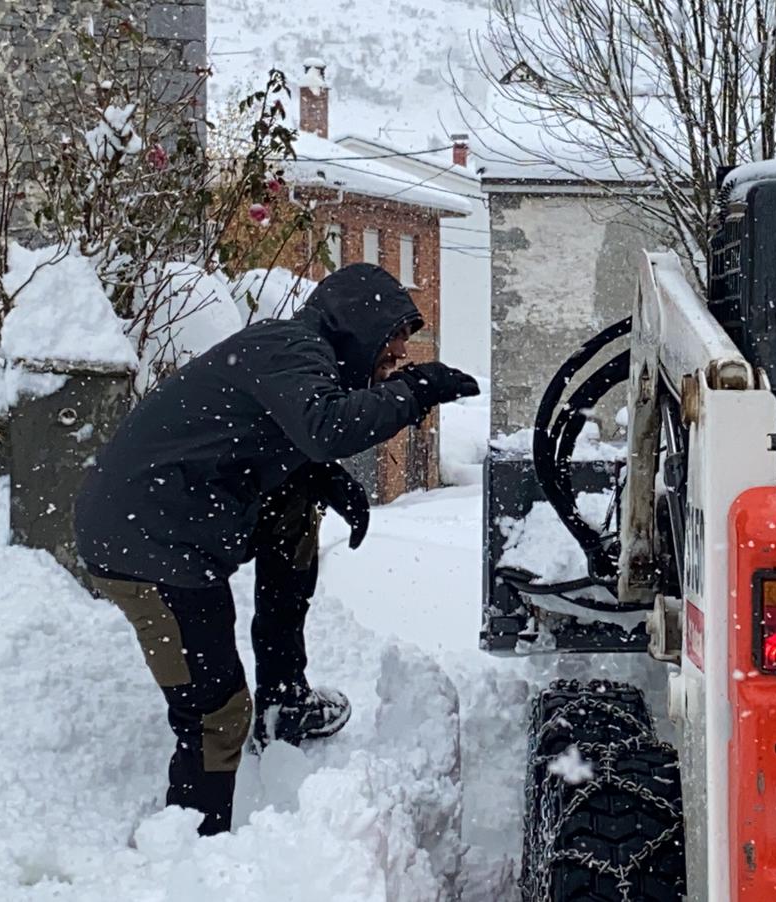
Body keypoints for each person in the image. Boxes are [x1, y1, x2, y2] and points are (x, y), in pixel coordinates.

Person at [74, 263, 478, 835]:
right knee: (215, 712)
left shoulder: (293, 354)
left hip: (174, 519)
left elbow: (288, 437)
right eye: (390, 351)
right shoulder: (289, 347)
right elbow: (324, 427)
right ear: (359, 327)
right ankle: (192, 843)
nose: (395, 364)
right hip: (147, 545)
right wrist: (413, 392)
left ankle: (284, 700)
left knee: (296, 516)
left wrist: (327, 480)